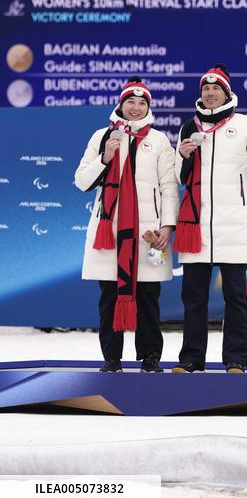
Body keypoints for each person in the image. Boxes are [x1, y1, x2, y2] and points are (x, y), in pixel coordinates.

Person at [172, 64, 247, 373]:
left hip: (234, 226)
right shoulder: (188, 127)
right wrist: (181, 155)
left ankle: (235, 359)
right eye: (205, 89)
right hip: (195, 226)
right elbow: (179, 177)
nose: (210, 93)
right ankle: (191, 360)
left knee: (236, 297)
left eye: (216, 89)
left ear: (226, 93)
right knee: (193, 298)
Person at [74, 77, 177, 373]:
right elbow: (81, 181)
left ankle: (150, 357)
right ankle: (111, 358)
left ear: (149, 107)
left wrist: (167, 227)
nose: (135, 107)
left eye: (142, 102)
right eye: (130, 102)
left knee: (148, 299)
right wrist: (105, 157)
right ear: (120, 105)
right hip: (110, 233)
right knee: (109, 297)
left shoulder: (158, 140)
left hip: (148, 234)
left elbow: (169, 187)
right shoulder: (101, 136)